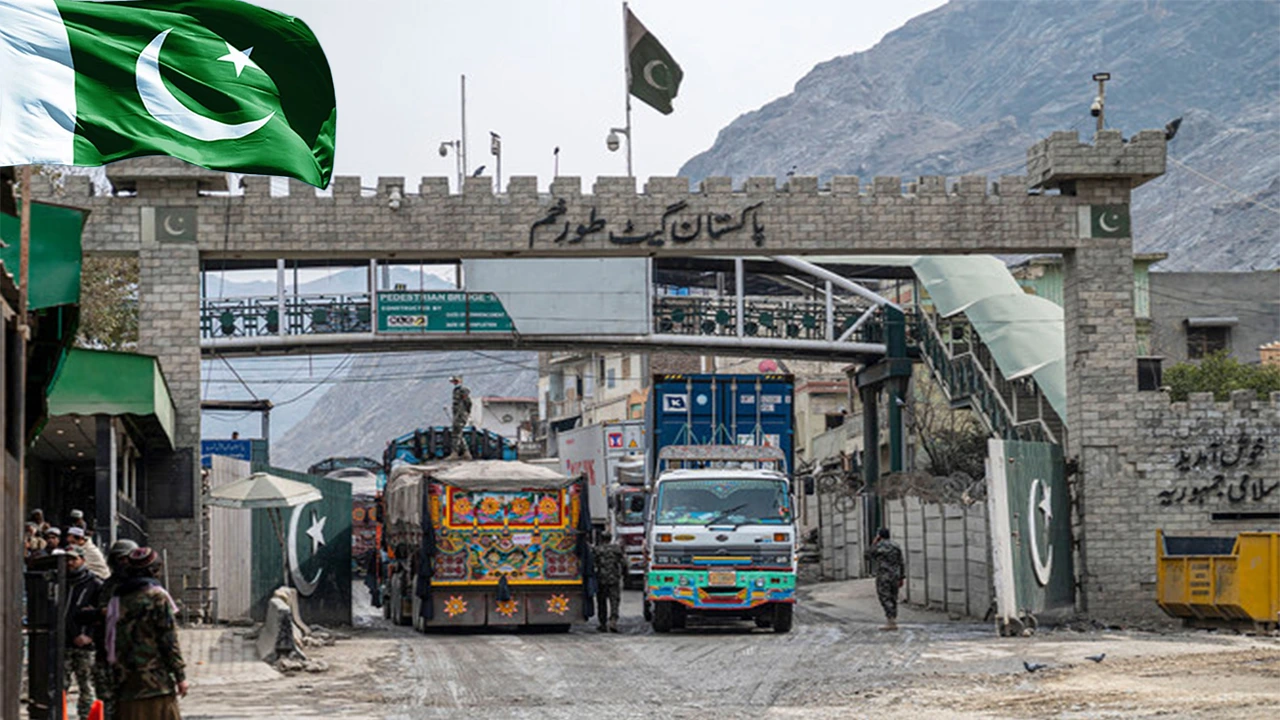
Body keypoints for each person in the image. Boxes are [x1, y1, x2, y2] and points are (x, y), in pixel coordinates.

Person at [108, 547, 187, 720]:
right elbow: (169, 639)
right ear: (154, 570)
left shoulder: (117, 597)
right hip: (156, 682)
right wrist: (180, 675)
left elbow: (110, 638)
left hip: (126, 680)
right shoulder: (157, 597)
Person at [63, 546, 104, 720]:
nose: (70, 563)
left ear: (83, 560)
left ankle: (87, 716)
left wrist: (89, 635)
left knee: (86, 685)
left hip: (85, 644)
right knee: (60, 685)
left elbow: (101, 615)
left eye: (74, 559)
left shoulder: (94, 584)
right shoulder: (59, 582)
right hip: (63, 642)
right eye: (67, 560)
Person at [864, 527, 905, 631]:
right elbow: (901, 562)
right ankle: (892, 619)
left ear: (879, 536)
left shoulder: (879, 546)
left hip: (884, 575)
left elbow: (867, 556)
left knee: (884, 597)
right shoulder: (896, 546)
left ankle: (891, 621)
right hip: (895, 575)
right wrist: (902, 577)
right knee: (893, 597)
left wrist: (874, 542)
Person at [591, 531, 626, 633]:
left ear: (601, 539)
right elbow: (624, 563)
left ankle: (602, 624)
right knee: (614, 601)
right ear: (610, 538)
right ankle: (613, 621)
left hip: (601, 579)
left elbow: (593, 564)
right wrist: (624, 575)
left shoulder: (597, 550)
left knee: (601, 602)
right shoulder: (616, 549)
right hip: (614, 578)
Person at [448, 375, 472, 460]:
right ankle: (466, 453)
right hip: (457, 414)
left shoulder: (462, 390)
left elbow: (468, 403)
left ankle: (455, 453)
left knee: (456, 433)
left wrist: (466, 413)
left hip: (460, 414)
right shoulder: (456, 391)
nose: (454, 383)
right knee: (458, 433)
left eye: (455, 381)